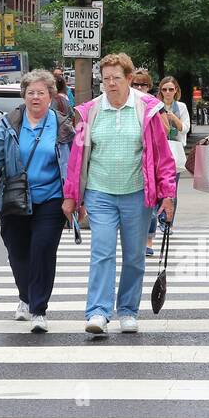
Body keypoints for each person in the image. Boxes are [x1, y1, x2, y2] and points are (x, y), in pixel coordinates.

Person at [62, 52, 178, 336]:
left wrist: (168, 195)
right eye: (106, 79)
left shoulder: (147, 110)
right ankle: (98, 312)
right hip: (100, 192)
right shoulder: (90, 111)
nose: (111, 84)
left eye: (116, 78)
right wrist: (72, 195)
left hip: (137, 194)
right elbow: (77, 157)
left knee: (134, 255)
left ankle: (127, 310)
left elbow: (163, 158)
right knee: (101, 251)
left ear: (129, 79)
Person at [0, 70, 75, 333]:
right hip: (15, 198)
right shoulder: (10, 123)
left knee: (42, 251)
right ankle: (25, 296)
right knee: (18, 254)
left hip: (51, 199)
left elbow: (73, 165)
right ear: (24, 95)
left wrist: (73, 196)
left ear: (51, 96)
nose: (35, 97)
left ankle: (38, 309)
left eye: (41, 93)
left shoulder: (63, 125)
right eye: (31, 92)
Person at [147, 74, 190, 254]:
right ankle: (155, 221)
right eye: (164, 89)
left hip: (175, 151)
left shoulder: (181, 107)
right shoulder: (155, 106)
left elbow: (185, 128)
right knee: (156, 189)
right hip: (158, 151)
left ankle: (167, 222)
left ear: (176, 91)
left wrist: (172, 118)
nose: (167, 92)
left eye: (171, 89)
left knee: (171, 189)